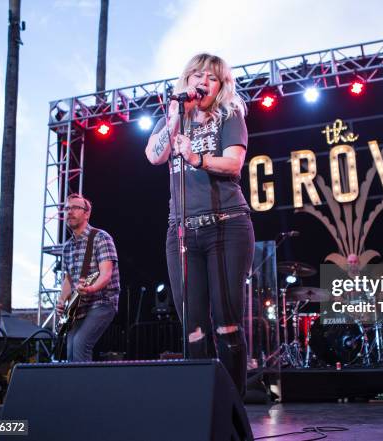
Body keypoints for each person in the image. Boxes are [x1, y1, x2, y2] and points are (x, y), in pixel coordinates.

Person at [145, 53, 254, 396]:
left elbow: (234, 163)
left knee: (226, 324)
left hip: (227, 227)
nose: (203, 81)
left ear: (221, 86)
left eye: (212, 77)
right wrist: (174, 118)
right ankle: (205, 404)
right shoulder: (174, 117)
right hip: (181, 232)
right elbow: (154, 155)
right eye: (197, 75)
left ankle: (233, 407)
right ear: (186, 81)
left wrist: (197, 158)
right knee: (193, 328)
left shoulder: (229, 115)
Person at [56, 193, 120, 362]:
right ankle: (74, 387)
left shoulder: (101, 237)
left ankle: (83, 388)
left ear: (87, 213)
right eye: (67, 208)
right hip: (78, 308)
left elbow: (106, 274)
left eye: (75, 208)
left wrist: (90, 288)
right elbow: (69, 279)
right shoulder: (67, 247)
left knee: (80, 344)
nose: (70, 212)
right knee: (69, 350)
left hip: (102, 303)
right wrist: (62, 301)